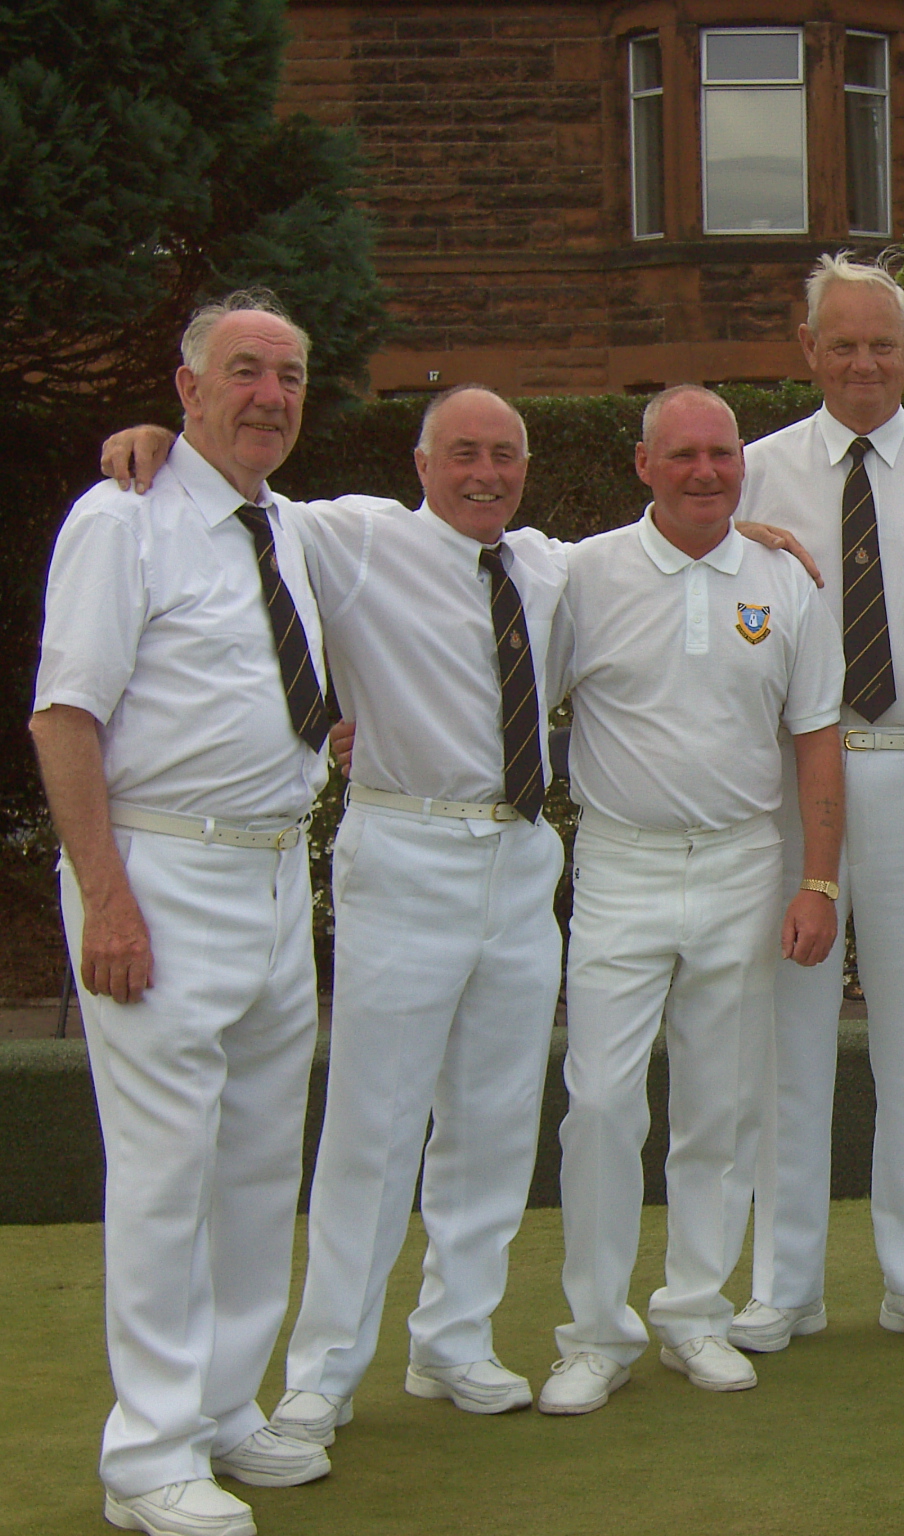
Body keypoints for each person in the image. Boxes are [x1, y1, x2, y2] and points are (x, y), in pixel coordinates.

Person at [99, 387, 575, 1441]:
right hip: (404, 851)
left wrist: (760, 532)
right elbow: (233, 496)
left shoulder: (546, 565)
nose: (483, 473)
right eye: (461, 453)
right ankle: (323, 1368)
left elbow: (658, 558)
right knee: (375, 1124)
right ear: (419, 461)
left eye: (503, 454)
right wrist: (154, 446)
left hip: (519, 858)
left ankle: (455, 1341)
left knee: (494, 1122)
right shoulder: (349, 538)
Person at [34, 290, 333, 1536]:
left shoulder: (296, 530)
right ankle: (146, 1456)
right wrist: (105, 895)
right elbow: (65, 718)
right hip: (158, 876)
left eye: (290, 376)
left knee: (259, 1162)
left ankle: (221, 1409)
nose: (269, 394)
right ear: (186, 387)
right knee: (165, 1173)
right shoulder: (120, 520)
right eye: (244, 371)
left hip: (274, 877)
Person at [729, 254, 904, 1354]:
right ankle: (784, 1286)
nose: (862, 362)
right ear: (807, 349)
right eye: (841, 342)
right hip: (793, 781)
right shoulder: (748, 475)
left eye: (881, 343)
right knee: (786, 1042)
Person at [538, 386, 844, 1411]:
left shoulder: (786, 576)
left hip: (743, 866)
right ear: (642, 465)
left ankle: (695, 1314)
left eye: (721, 454)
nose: (706, 472)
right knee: (600, 1105)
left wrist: (817, 880)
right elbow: (498, 683)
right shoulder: (580, 574)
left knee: (718, 1105)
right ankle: (591, 1332)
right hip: (621, 865)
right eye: (683, 456)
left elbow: (815, 739)